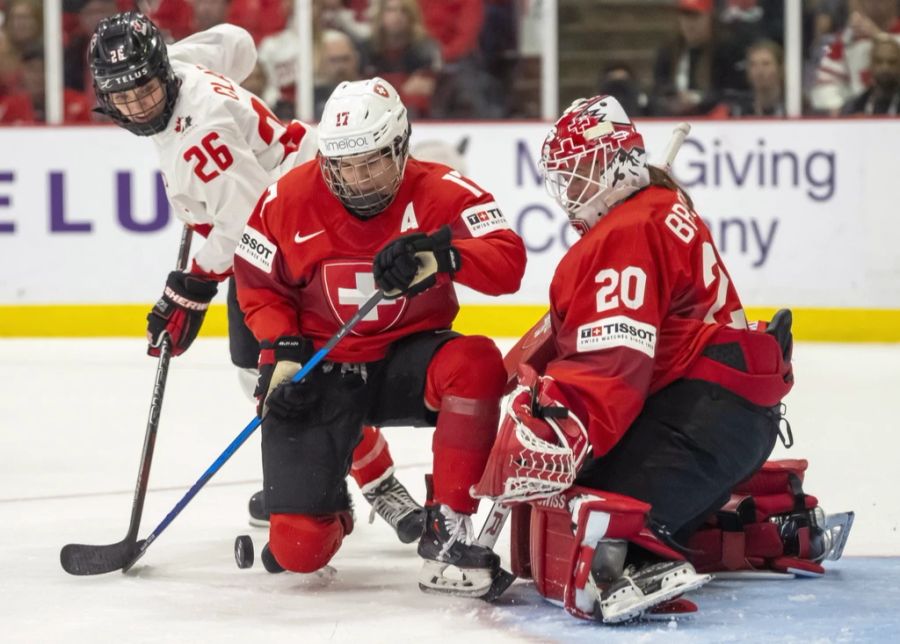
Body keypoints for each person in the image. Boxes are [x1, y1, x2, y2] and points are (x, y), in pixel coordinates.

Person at [472, 95, 850, 622]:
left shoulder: (628, 232)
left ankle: (645, 558)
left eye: (581, 172)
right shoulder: (654, 210)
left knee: (594, 521)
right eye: (566, 177)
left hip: (703, 418)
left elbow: (613, 365)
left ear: (617, 164)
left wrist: (559, 421)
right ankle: (772, 521)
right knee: (579, 504)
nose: (571, 190)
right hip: (719, 415)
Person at [88, 12, 426, 544]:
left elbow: (248, 221)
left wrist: (191, 285)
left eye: (146, 90)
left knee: (274, 366)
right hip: (290, 204)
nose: (139, 106)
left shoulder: (200, 137)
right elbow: (239, 44)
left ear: (162, 73)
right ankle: (324, 477)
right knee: (264, 364)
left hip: (294, 226)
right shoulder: (180, 64)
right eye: (124, 97)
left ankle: (361, 483)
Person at [232, 77, 526, 594]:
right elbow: (256, 284)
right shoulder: (285, 198)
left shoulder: (444, 191)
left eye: (371, 162)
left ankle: (448, 525)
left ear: (400, 146)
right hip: (319, 367)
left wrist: (443, 257)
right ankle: (333, 503)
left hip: (404, 360)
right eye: (343, 166)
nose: (358, 180)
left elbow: (508, 261)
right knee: (298, 551)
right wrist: (281, 347)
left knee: (477, 362)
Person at [811, 0, 900, 115]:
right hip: (859, 117)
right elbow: (824, 89)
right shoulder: (846, 40)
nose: (874, 3)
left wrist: (878, 35)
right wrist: (845, 111)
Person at [841, 33, 900, 115]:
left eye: (892, 62)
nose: (885, 68)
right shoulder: (855, 106)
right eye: (879, 61)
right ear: (871, 65)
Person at [728, 39, 786, 117]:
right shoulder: (738, 110)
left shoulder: (793, 105)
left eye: (766, 64)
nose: (759, 71)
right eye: (753, 64)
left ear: (780, 68)